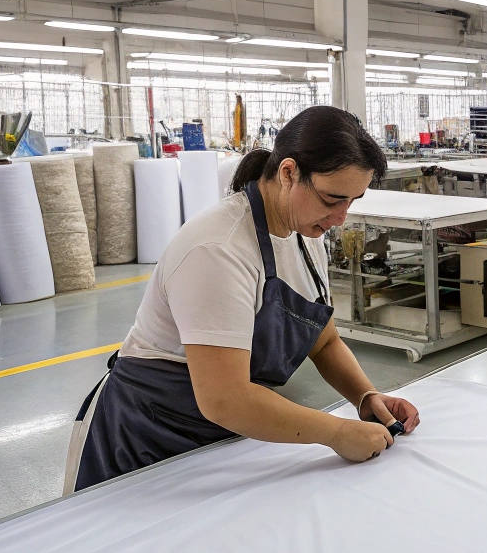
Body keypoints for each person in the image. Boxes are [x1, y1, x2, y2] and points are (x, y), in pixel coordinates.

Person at [67, 106, 419, 492]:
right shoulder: (218, 249)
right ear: (288, 173)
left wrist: (365, 396)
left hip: (223, 435)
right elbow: (225, 398)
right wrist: (336, 432)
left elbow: (325, 341)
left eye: (352, 201)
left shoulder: (304, 234)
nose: (341, 217)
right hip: (148, 437)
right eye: (333, 199)